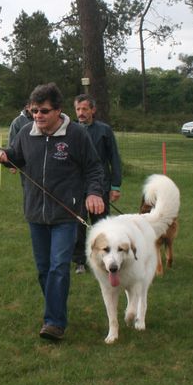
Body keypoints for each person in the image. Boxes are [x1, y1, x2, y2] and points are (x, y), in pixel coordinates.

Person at [0, 83, 104, 342]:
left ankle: (54, 322)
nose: (38, 117)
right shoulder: (25, 133)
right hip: (35, 214)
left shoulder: (76, 135)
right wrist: (2, 154)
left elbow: (94, 168)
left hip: (66, 215)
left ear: (58, 111)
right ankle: (57, 309)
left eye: (43, 111)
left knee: (58, 267)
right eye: (34, 111)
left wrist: (94, 193)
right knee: (44, 269)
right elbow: (16, 156)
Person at [72, 93, 123, 274]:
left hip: (100, 185)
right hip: (76, 186)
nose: (81, 113)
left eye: (85, 109)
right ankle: (79, 261)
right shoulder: (70, 130)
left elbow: (114, 159)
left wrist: (115, 186)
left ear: (93, 110)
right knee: (78, 224)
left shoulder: (104, 130)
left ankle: (104, 259)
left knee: (101, 225)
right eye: (78, 109)